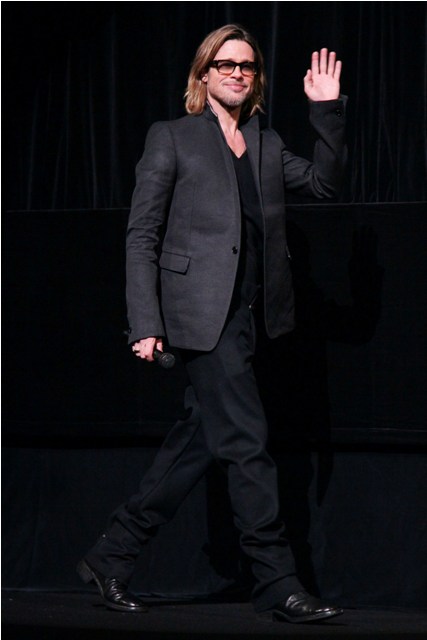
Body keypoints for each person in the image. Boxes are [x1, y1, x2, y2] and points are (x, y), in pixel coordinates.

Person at [77, 23, 347, 623]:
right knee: (248, 445)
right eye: (225, 64)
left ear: (256, 78)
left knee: (196, 445)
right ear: (204, 74)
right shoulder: (173, 137)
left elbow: (326, 184)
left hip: (252, 320)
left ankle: (110, 555)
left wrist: (326, 112)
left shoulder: (265, 143)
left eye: (247, 65)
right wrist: (144, 322)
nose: (237, 73)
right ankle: (278, 582)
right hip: (199, 318)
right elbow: (142, 236)